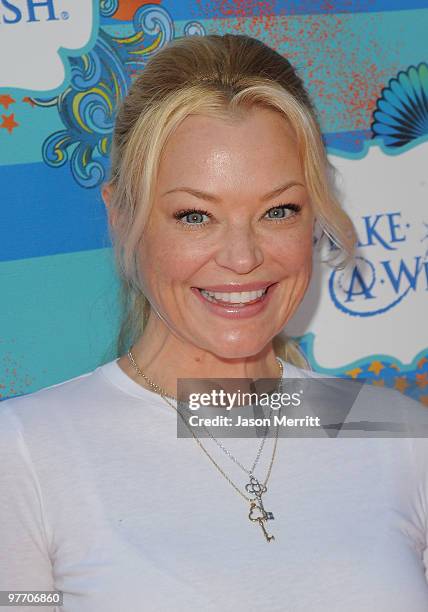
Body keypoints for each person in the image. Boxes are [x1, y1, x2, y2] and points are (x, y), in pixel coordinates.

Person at [1, 33, 428, 612]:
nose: (243, 256)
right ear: (123, 215)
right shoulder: (27, 450)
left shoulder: (397, 433)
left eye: (279, 210)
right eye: (195, 215)